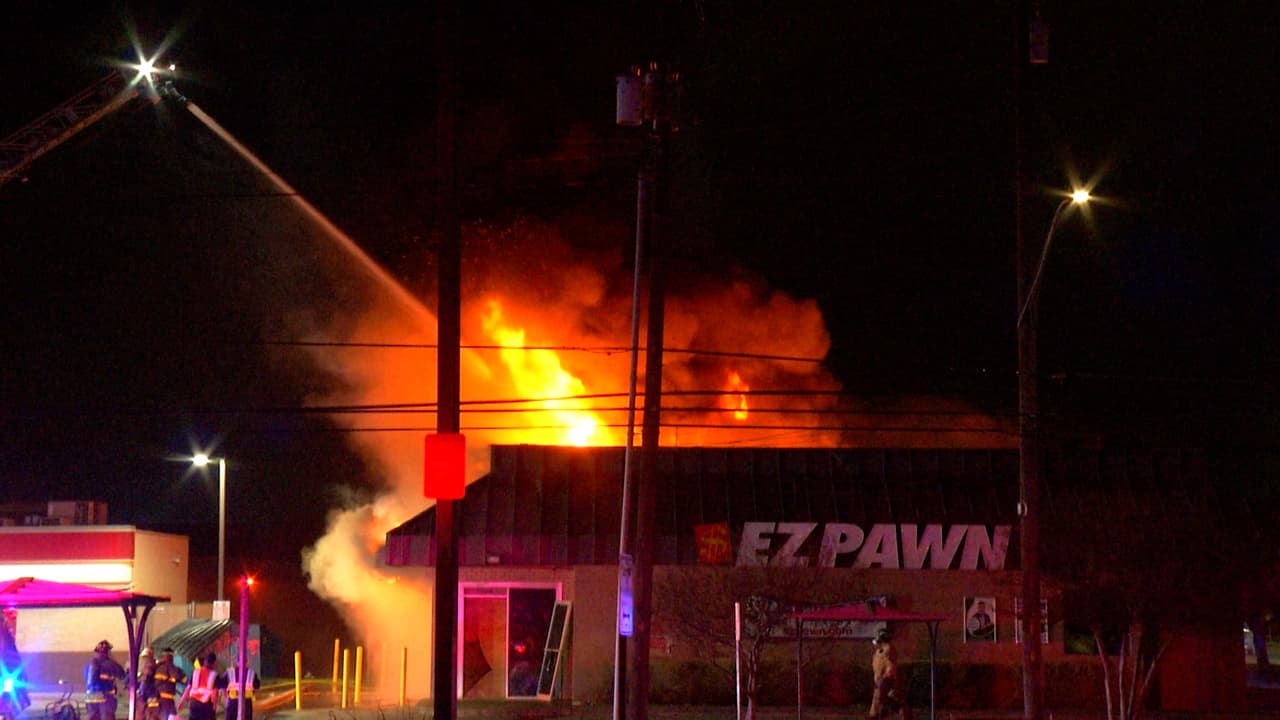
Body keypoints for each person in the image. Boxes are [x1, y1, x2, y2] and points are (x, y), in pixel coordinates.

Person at [869, 629, 909, 720]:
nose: (877, 645)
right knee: (875, 710)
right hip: (879, 685)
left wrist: (884, 681)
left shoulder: (888, 651)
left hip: (885, 684)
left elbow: (890, 669)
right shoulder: (880, 652)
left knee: (884, 704)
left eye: (879, 642)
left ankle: (902, 712)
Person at [84, 640, 126, 720]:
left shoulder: (88, 664)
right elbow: (123, 676)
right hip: (106, 697)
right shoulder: (112, 664)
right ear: (108, 651)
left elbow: (87, 679)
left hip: (90, 698)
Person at [178, 653, 218, 720]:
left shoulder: (195, 672)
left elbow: (188, 688)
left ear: (205, 661)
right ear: (214, 663)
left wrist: (181, 702)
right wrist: (214, 706)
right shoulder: (214, 675)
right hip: (206, 705)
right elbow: (215, 693)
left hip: (194, 703)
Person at [151, 648, 186, 720]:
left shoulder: (158, 667)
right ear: (169, 656)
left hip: (156, 700)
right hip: (166, 702)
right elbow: (179, 677)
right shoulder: (169, 666)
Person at [135, 647, 156, 720]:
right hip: (147, 688)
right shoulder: (150, 661)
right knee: (150, 711)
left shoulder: (136, 661)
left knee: (138, 711)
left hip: (136, 690)